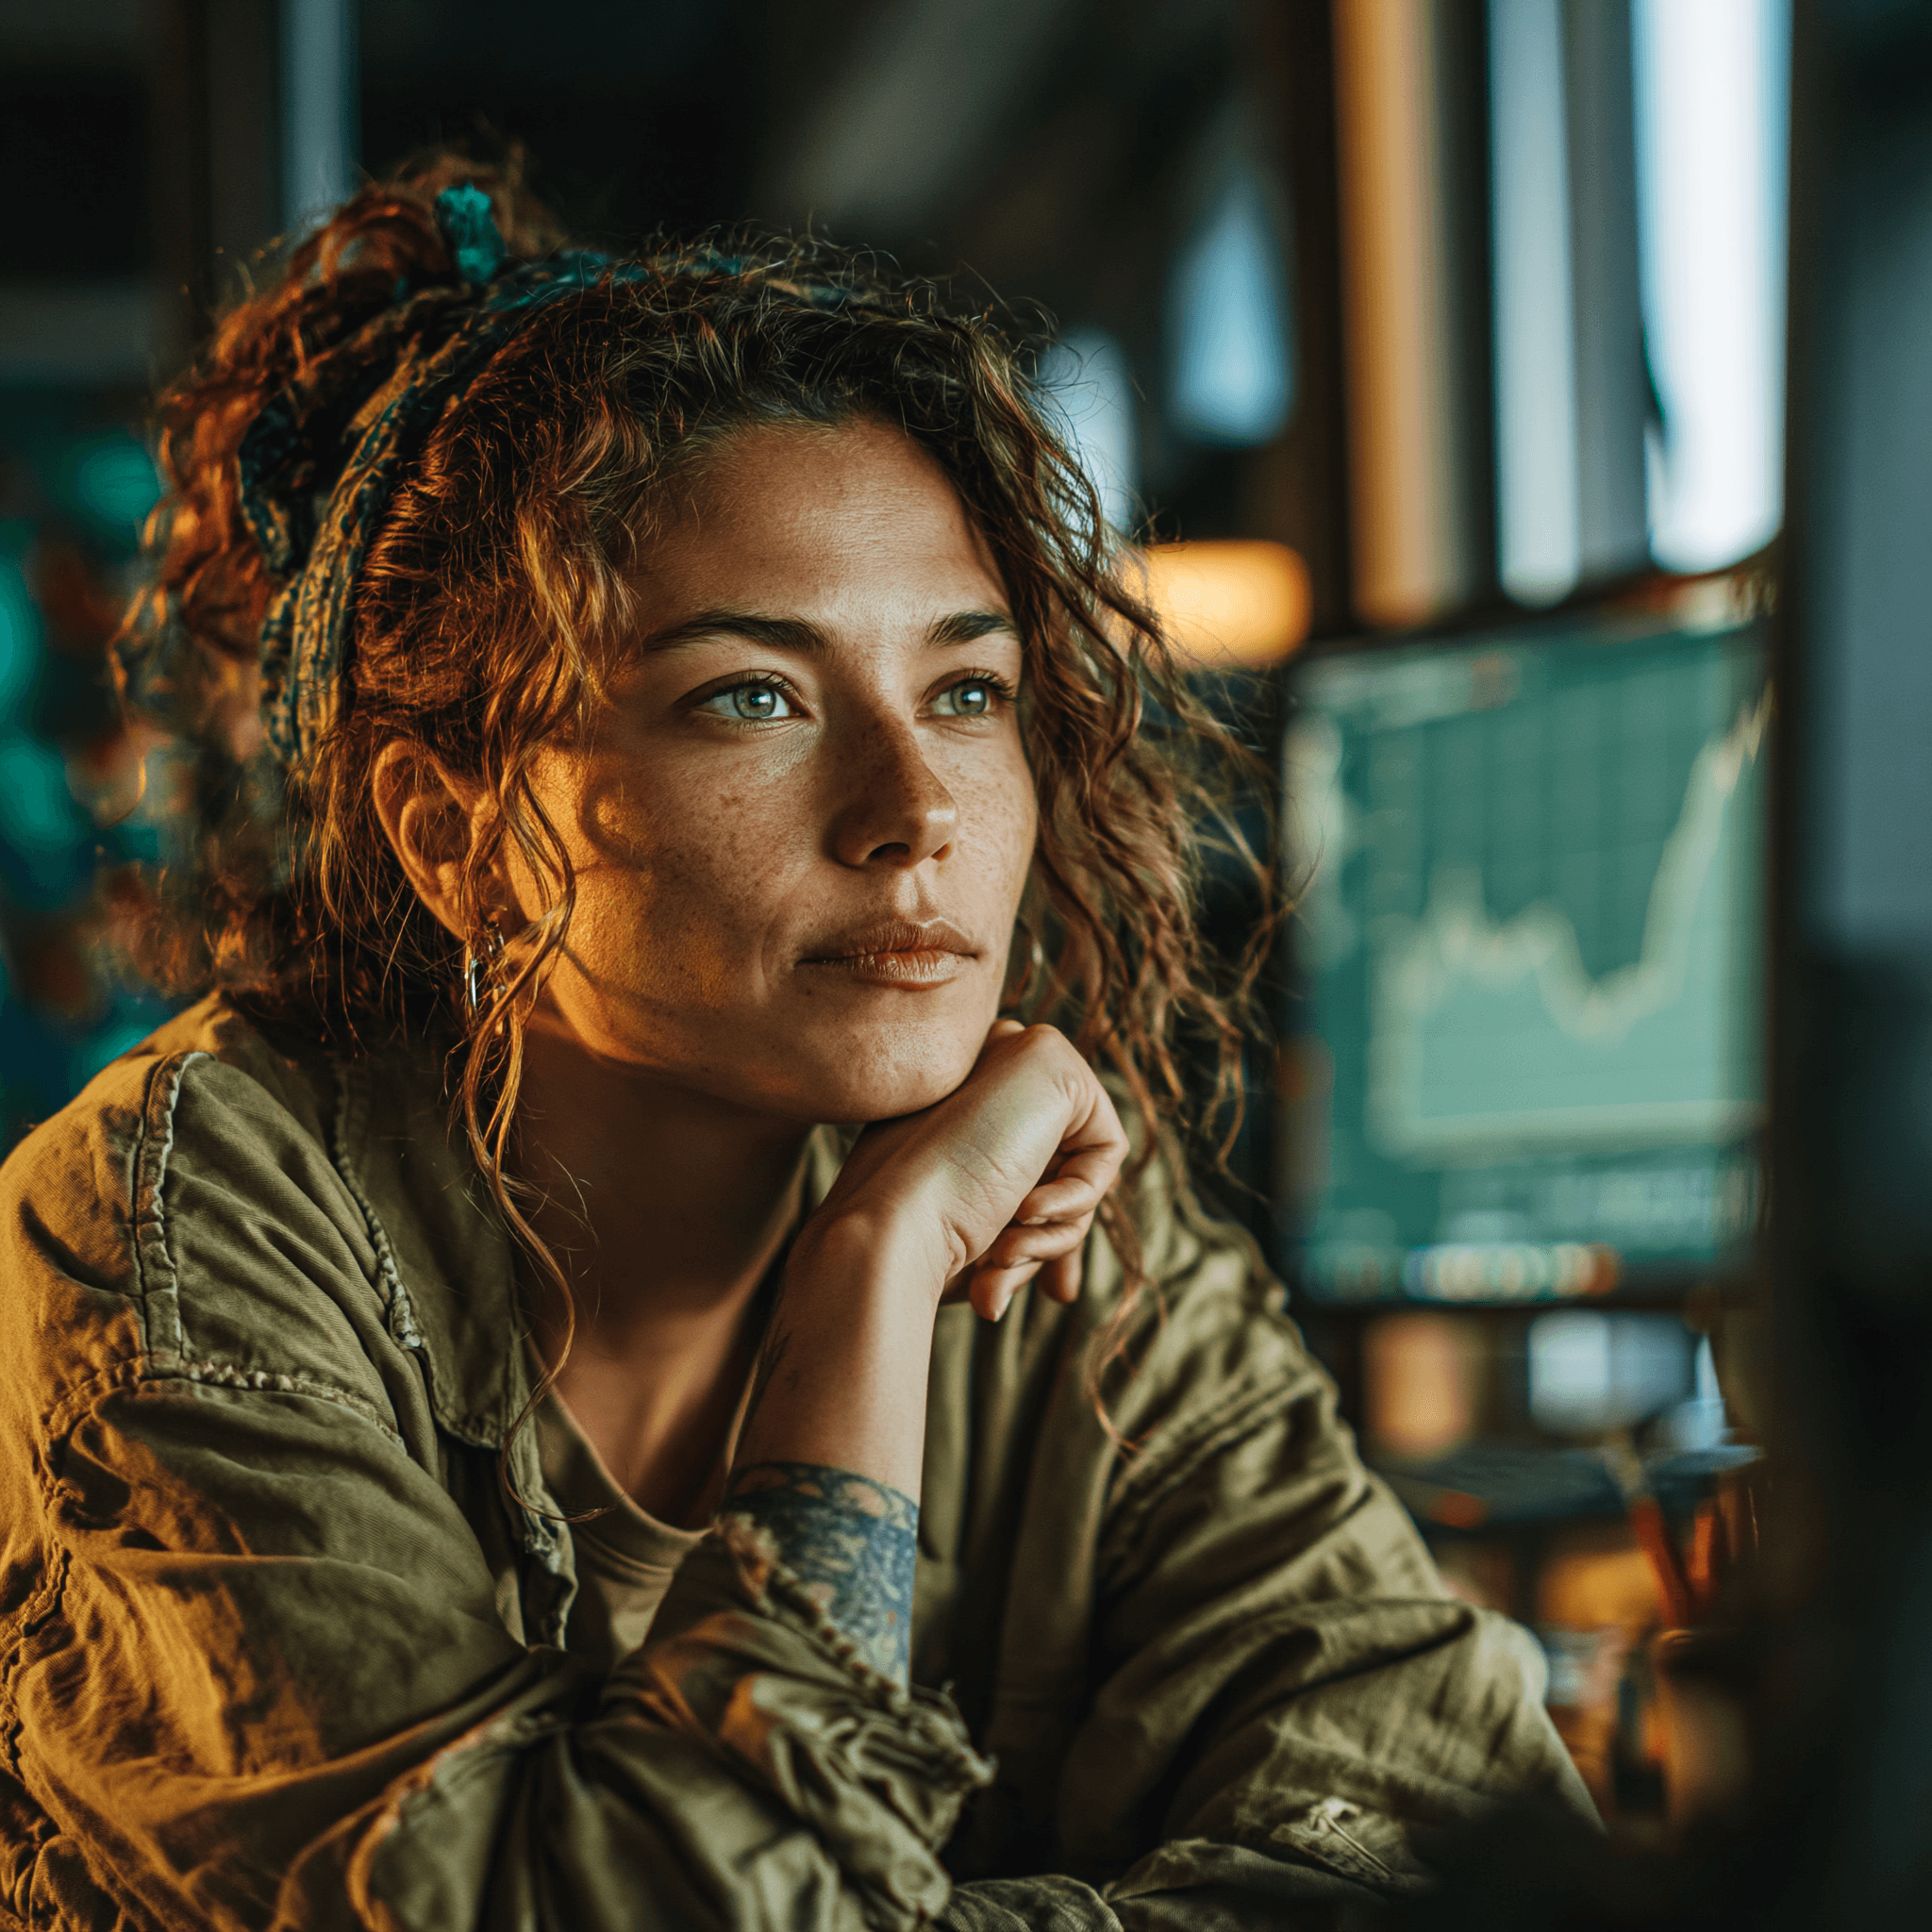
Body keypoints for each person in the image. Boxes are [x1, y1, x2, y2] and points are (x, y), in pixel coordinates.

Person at [0, 158, 1590, 1932]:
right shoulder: (174, 1221)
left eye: (966, 691)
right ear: (454, 835)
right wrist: (872, 1279)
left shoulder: (1078, 1232)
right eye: (749, 695)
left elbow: (1473, 1842)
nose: (916, 809)